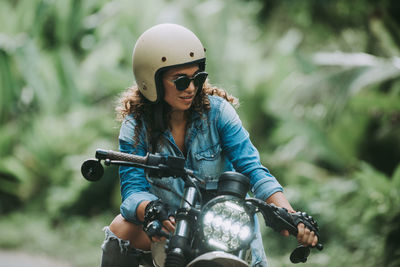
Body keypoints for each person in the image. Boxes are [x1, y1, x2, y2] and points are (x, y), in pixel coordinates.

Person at [100, 23, 318, 267]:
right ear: (152, 80)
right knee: (120, 229)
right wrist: (151, 209)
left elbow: (253, 169)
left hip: (223, 228)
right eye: (180, 81)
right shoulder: (137, 125)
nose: (191, 88)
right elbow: (132, 191)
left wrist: (290, 215)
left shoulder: (218, 113)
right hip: (170, 226)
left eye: (197, 78)